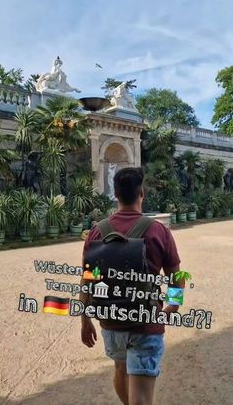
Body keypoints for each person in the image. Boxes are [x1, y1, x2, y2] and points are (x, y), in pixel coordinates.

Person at [80, 167, 183, 405]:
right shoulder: (158, 231)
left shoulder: (97, 232)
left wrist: (84, 320)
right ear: (142, 193)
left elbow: (88, 279)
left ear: (115, 194)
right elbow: (176, 276)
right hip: (146, 324)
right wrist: (173, 307)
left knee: (119, 368)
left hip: (111, 322)